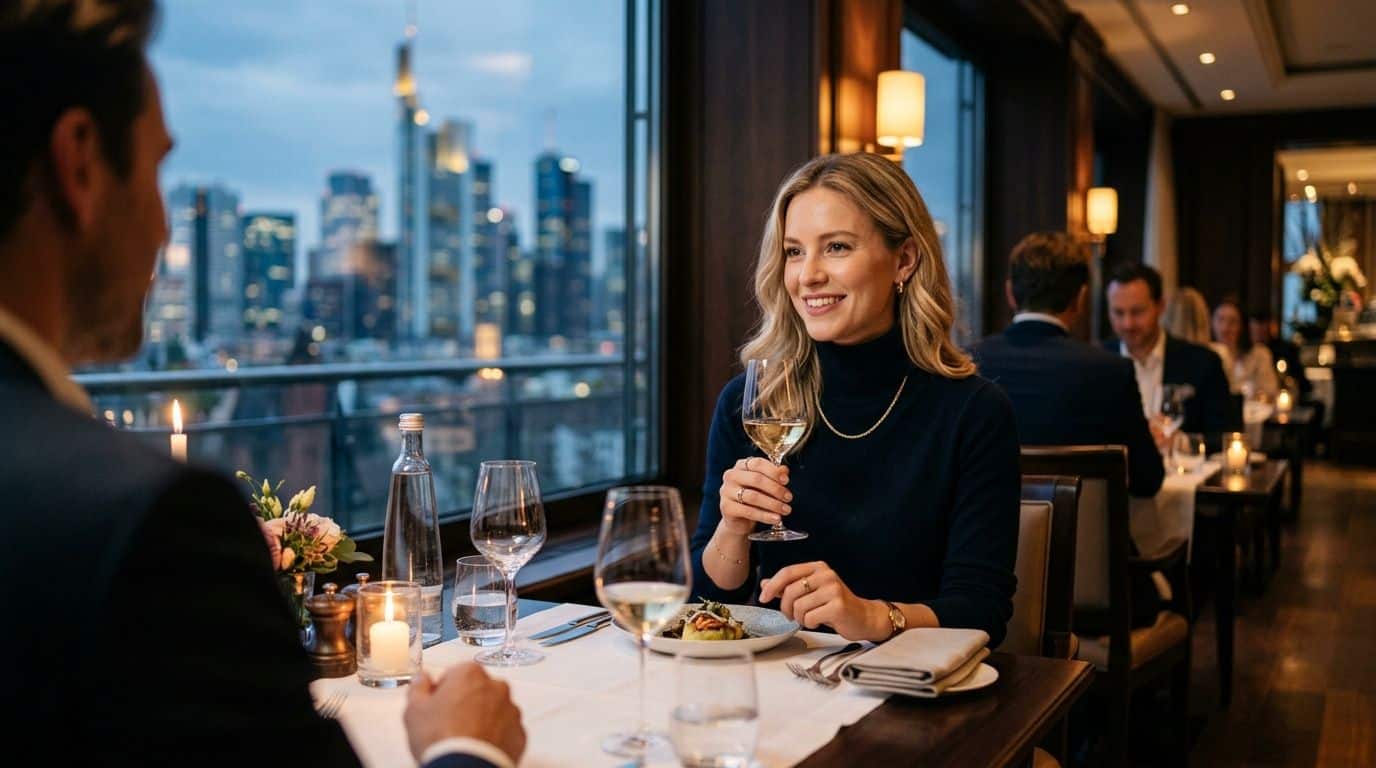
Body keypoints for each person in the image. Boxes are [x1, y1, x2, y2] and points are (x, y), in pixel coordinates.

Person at [0, 3, 523, 766]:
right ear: (78, 162)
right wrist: (468, 748)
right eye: (155, 168)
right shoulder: (147, 519)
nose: (163, 230)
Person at [691, 153, 1019, 646]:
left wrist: (871, 617)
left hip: (906, 693)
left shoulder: (973, 411)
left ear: (904, 260)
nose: (808, 276)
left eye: (837, 247)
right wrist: (733, 528)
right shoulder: (751, 401)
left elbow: (981, 610)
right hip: (777, 687)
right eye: (794, 252)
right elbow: (705, 598)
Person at [973, 232, 1164, 498]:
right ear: (1080, 299)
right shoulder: (1110, 372)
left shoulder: (966, 363)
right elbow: (1148, 481)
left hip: (987, 536)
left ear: (1010, 294)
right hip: (1087, 539)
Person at [1104, 263, 1238, 444]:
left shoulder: (1202, 362)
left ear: (1160, 306)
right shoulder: (1097, 362)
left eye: (1137, 312)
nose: (1128, 323)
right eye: (1118, 313)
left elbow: (1224, 438)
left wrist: (1181, 443)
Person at [1211, 297, 1280, 400]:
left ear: (1242, 326)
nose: (1224, 328)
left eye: (1232, 322)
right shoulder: (1207, 355)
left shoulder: (1259, 354)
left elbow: (1270, 392)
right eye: (1220, 319)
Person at [1249, 308, 1308, 396]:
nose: (1259, 331)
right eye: (1255, 327)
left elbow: (1300, 382)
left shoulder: (1285, 350)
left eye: (1262, 327)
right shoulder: (1245, 352)